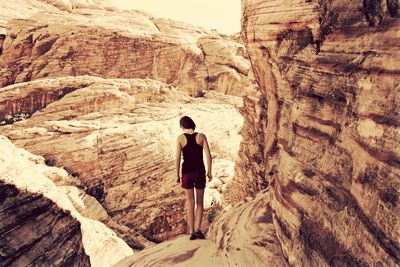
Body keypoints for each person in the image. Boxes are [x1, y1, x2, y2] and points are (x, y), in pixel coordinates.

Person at [175, 116, 212, 240]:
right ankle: (198, 229)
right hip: (200, 171)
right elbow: (208, 155)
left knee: (190, 202)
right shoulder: (201, 136)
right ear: (192, 124)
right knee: (200, 202)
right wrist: (210, 172)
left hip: (187, 173)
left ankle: (191, 232)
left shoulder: (180, 138)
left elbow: (177, 158)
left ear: (182, 126)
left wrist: (177, 175)